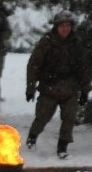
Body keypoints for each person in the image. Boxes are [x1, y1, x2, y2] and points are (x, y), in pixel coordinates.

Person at [26, 10, 91, 159]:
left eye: (68, 25)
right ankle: (32, 137)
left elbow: (84, 68)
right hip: (49, 88)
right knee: (42, 117)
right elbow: (33, 65)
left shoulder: (77, 44)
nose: (65, 28)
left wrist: (85, 90)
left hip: (70, 89)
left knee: (69, 118)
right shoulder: (46, 42)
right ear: (56, 27)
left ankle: (62, 147)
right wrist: (30, 88)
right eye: (62, 25)